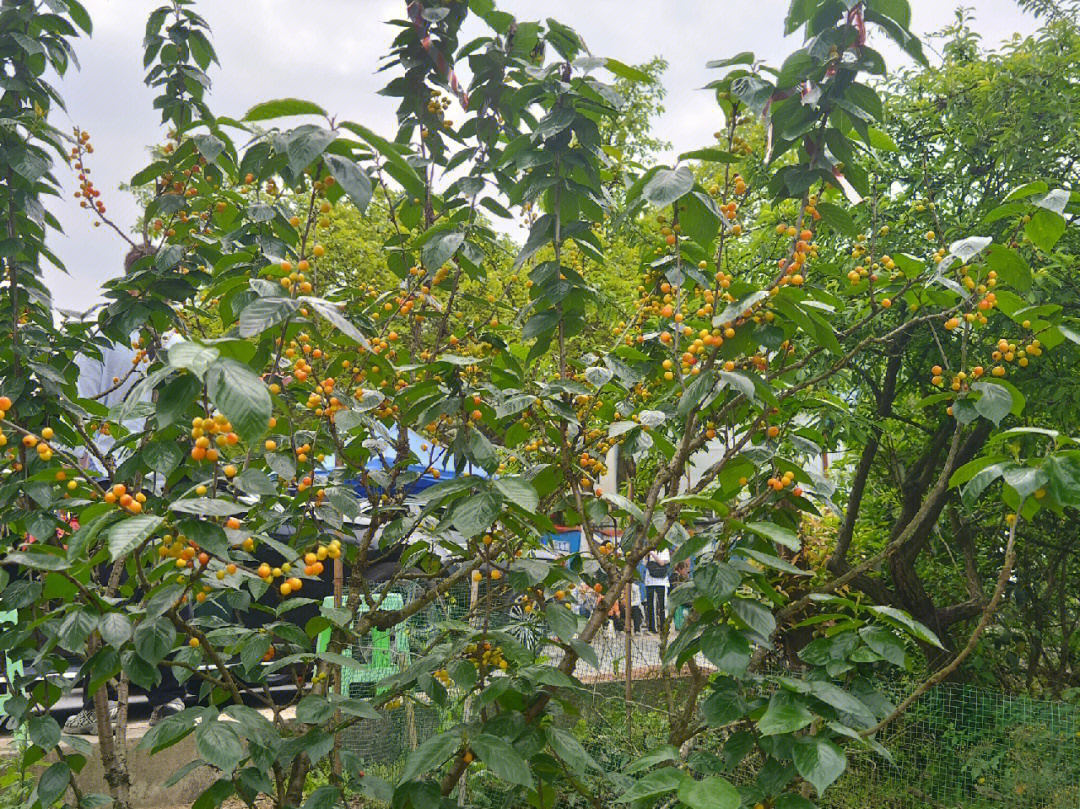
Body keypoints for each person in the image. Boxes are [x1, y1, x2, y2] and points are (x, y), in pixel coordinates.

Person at [63, 244, 186, 733]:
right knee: (107, 594)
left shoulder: (175, 339)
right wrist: (89, 477)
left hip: (161, 483)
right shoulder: (105, 334)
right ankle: (99, 707)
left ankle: (168, 700)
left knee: (160, 592)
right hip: (113, 481)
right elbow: (84, 404)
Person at [644, 547, 670, 634]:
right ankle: (652, 628)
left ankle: (664, 628)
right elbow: (645, 563)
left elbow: (662, 562)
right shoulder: (648, 551)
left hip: (661, 582)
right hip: (650, 581)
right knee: (651, 606)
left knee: (663, 605)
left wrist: (652, 553)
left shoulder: (664, 550)